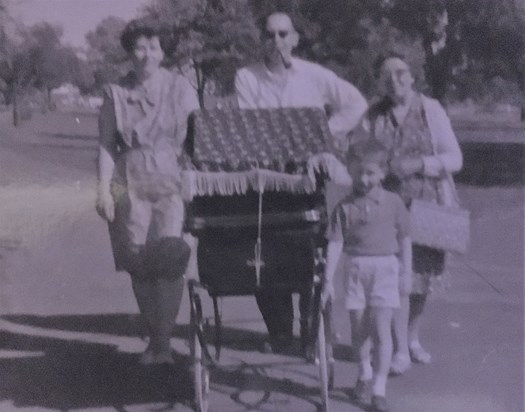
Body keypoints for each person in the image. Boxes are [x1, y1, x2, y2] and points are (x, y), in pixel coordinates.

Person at [234, 11, 368, 354]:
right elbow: (253, 124)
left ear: (294, 39)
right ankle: (279, 331)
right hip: (268, 175)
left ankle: (311, 333)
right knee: (265, 248)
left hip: (311, 176)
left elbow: (356, 103)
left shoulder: (315, 75)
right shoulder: (246, 77)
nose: (276, 41)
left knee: (311, 251)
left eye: (283, 34)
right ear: (261, 40)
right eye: (269, 35)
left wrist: (325, 131)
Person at [96, 20, 199, 365]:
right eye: (139, 47)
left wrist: (194, 182)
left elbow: (198, 140)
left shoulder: (180, 87)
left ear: (163, 51)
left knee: (169, 259)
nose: (147, 55)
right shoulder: (115, 92)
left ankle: (164, 341)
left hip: (171, 178)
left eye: (154, 47)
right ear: (129, 51)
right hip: (128, 178)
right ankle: (155, 340)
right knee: (138, 260)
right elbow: (107, 145)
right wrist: (105, 190)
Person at [365, 53, 463, 374]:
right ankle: (395, 347)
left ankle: (411, 338)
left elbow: (454, 158)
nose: (395, 80)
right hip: (386, 207)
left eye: (401, 72)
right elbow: (358, 153)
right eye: (387, 75)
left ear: (412, 76)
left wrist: (420, 164)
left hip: (427, 203)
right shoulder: (373, 114)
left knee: (421, 279)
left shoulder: (430, 109)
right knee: (392, 277)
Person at [323, 139, 412, 412]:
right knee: (359, 330)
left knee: (381, 330)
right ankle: (364, 373)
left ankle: (379, 389)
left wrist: (406, 273)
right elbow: (336, 243)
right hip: (355, 269)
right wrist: (327, 279)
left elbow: (405, 238)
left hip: (385, 268)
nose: (363, 179)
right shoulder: (344, 207)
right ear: (349, 170)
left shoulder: (394, 202)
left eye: (370, 173)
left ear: (383, 173)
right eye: (358, 172)